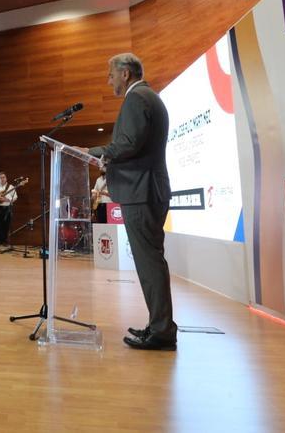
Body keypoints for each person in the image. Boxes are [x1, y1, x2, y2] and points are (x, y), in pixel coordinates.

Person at [83, 53, 176, 351]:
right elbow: (136, 147)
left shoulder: (137, 99)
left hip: (142, 192)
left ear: (125, 73)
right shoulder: (150, 97)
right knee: (152, 262)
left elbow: (128, 144)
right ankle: (158, 325)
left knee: (149, 264)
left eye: (110, 74)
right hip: (148, 189)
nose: (108, 80)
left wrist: (92, 151)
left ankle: (162, 331)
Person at [0, 171, 18, 245]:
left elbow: (15, 197)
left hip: (8, 207)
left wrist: (7, 199)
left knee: (6, 224)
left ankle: (4, 241)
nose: (2, 179)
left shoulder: (10, 187)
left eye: (3, 177)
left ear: (6, 178)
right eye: (0, 178)